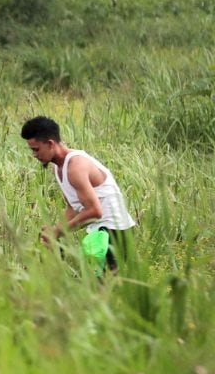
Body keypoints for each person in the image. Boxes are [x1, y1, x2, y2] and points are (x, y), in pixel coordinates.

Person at [20, 116, 136, 272]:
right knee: (95, 288)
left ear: (50, 144)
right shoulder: (58, 168)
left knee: (102, 290)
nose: (34, 155)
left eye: (36, 149)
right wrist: (55, 230)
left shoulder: (75, 167)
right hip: (100, 233)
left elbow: (95, 211)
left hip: (116, 233)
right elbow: (73, 207)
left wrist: (59, 231)